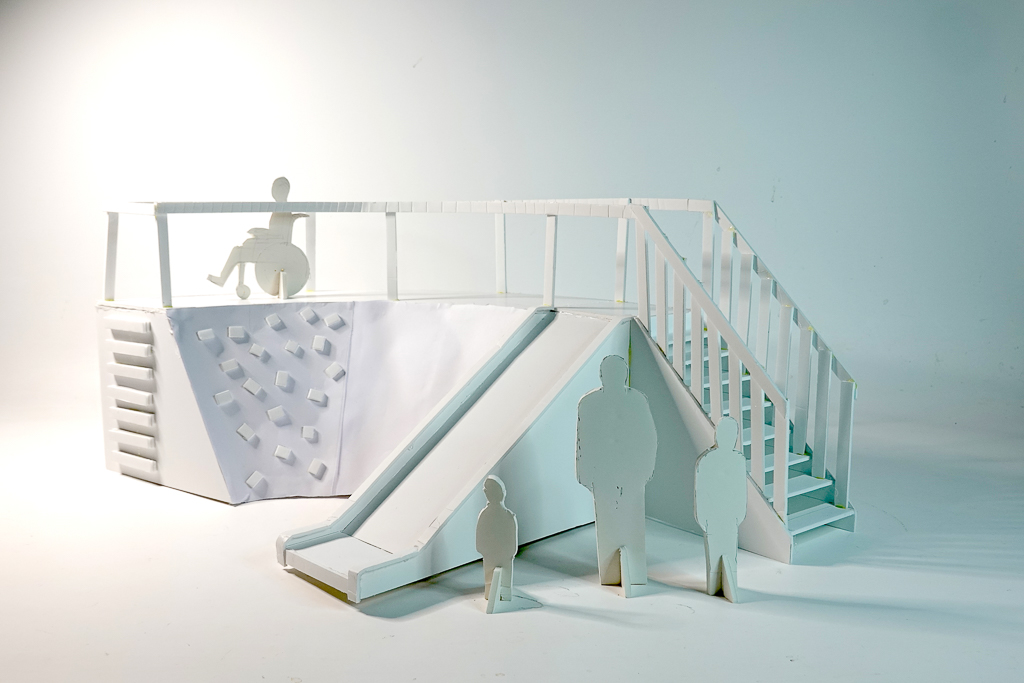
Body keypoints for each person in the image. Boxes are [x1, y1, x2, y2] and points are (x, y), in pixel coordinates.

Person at [576, 355, 657, 587]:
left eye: (618, 372)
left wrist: (645, 470)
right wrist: (584, 474)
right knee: (607, 521)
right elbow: (582, 440)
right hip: (602, 473)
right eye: (609, 373)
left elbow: (648, 437)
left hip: (632, 473)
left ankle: (635, 568)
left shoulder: (637, 401)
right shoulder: (589, 403)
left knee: (632, 519)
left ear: (625, 375)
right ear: (601, 375)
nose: (613, 377)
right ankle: (610, 570)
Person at [694, 416, 747, 602]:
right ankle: (713, 585)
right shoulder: (707, 460)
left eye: (733, 434)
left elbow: (740, 490)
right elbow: (701, 491)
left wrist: (739, 516)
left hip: (730, 517)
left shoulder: (738, 459)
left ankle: (727, 582)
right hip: (713, 517)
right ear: (717, 435)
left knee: (730, 551)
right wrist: (703, 518)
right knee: (715, 551)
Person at [476, 475, 517, 603]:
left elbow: (479, 544)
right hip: (499, 557)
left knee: (496, 581)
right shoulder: (508, 516)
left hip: (495, 557)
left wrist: (487, 552)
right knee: (496, 581)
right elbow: (513, 546)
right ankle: (499, 594)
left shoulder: (486, 515)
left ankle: (497, 594)